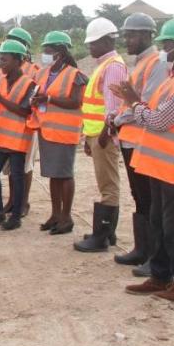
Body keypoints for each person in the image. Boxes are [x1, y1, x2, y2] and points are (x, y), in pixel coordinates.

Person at [119, 17, 174, 304]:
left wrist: (134, 103)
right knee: (158, 222)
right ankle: (160, 276)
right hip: (160, 166)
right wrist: (140, 106)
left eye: (167, 44)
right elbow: (154, 113)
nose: (164, 50)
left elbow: (158, 120)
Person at [110, 13, 167, 273]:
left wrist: (119, 117)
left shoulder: (156, 63)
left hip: (142, 140)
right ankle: (142, 250)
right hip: (130, 139)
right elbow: (131, 99)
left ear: (146, 35)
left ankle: (153, 258)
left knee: (149, 198)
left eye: (131, 35)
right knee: (140, 197)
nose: (127, 40)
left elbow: (144, 102)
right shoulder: (141, 62)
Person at [75, 17, 127, 252]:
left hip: (104, 135)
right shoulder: (103, 65)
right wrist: (89, 135)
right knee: (105, 183)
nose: (90, 48)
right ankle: (106, 233)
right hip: (97, 134)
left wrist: (106, 133)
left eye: (94, 43)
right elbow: (94, 107)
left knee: (108, 185)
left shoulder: (113, 66)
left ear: (107, 40)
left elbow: (113, 107)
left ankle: (102, 236)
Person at [30, 31, 87, 234]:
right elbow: (38, 92)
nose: (45, 54)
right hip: (47, 130)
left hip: (64, 133)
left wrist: (49, 100)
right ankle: (55, 214)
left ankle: (66, 217)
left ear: (60, 51)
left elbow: (75, 101)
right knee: (53, 175)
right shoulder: (44, 73)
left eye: (48, 50)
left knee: (64, 175)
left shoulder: (75, 75)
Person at [0, 40, 36, 231]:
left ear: (18, 60)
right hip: (1, 135)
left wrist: (0, 99)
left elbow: (25, 111)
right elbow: (0, 107)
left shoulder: (29, 84)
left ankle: (16, 216)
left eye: (5, 59)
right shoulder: (1, 80)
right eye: (0, 59)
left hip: (18, 137)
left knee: (17, 177)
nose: (1, 63)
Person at [2, 27, 38, 216]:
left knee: (25, 166)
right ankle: (12, 200)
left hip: (26, 126)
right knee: (11, 167)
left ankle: (23, 203)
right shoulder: (5, 67)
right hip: (8, 127)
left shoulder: (32, 70)